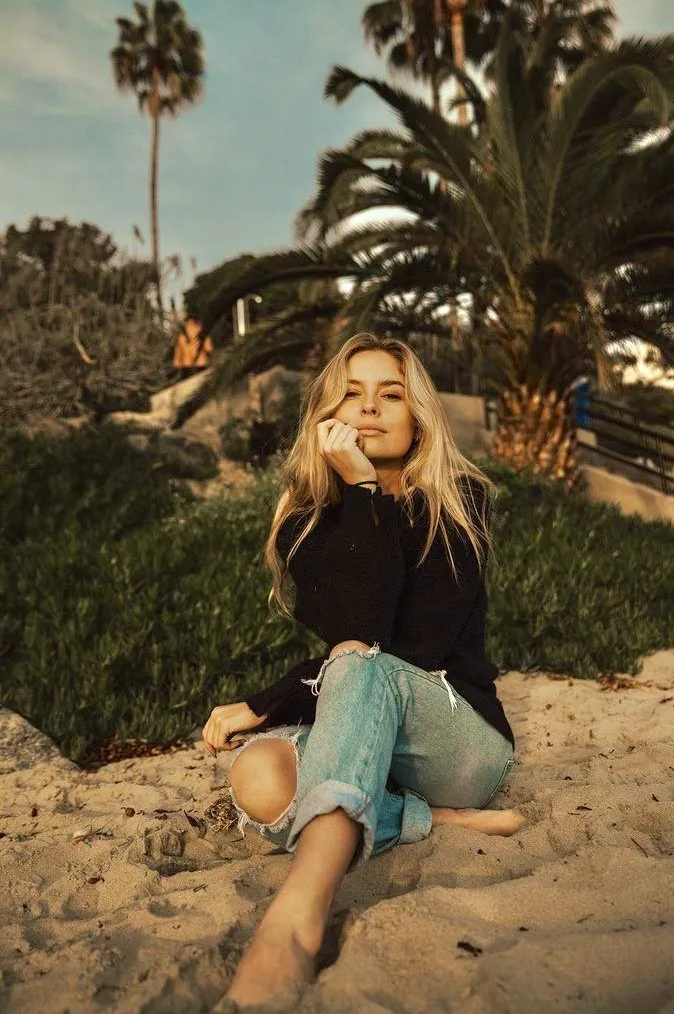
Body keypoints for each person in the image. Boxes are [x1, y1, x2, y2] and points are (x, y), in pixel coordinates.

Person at [202, 332, 523, 1012]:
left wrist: (265, 700)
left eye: (391, 393)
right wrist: (359, 494)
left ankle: (293, 923)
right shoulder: (309, 522)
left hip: (459, 739)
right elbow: (360, 622)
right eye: (353, 391)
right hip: (372, 735)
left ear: (419, 417)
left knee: (357, 663)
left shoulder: (458, 504)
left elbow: (399, 646)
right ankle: (421, 817)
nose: (370, 408)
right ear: (327, 412)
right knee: (255, 775)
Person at [172, 314, 213, 380]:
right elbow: (208, 348)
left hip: (186, 364)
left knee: (187, 385)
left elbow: (178, 350)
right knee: (201, 382)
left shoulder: (181, 336)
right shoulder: (201, 333)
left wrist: (176, 363)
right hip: (201, 362)